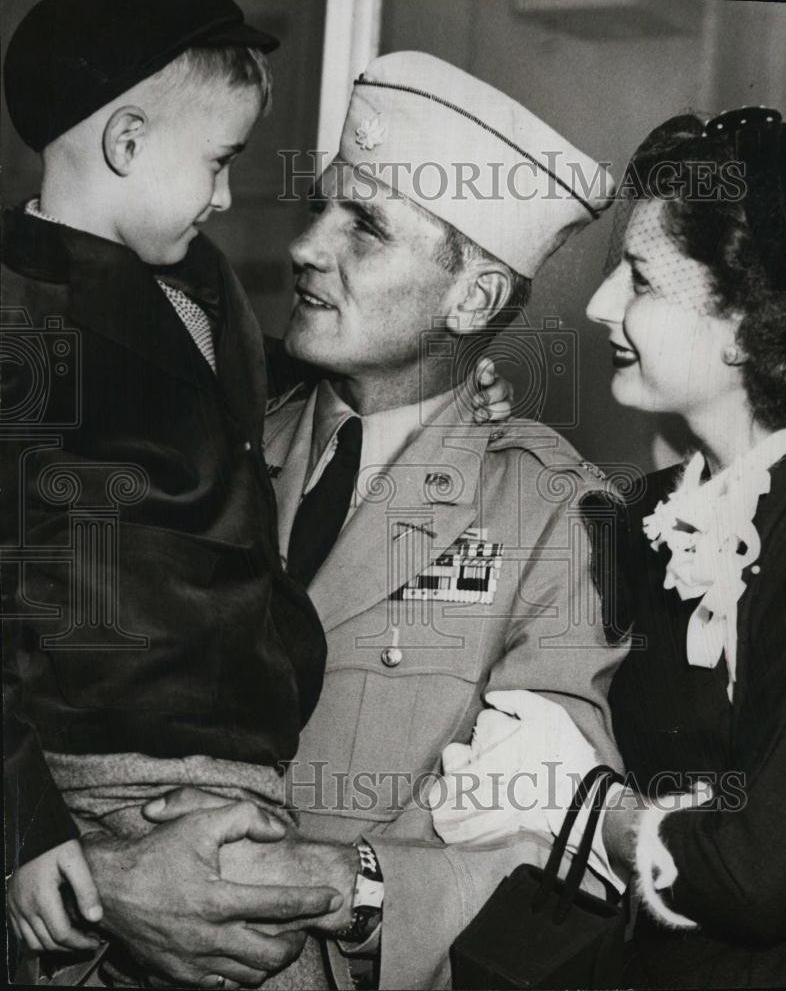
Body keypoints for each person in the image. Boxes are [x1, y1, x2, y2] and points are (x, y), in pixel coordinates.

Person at [89, 51, 627, 989]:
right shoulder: (200, 439)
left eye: (365, 226)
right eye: (320, 207)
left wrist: (351, 888)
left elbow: (559, 840)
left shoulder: (549, 519)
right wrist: (101, 882)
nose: (306, 247)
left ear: (474, 297)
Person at [0, 0, 510, 985]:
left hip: (228, 745)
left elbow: (226, 383)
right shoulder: (26, 329)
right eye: (217, 162)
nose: (228, 197)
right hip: (116, 757)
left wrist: (416, 375)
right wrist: (28, 829)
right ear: (125, 139)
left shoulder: (190, 275)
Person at [433, 108, 786, 987]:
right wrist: (458, 432)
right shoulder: (648, 514)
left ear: (746, 324)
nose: (598, 303)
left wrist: (580, 802)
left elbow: (755, 876)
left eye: (641, 280)